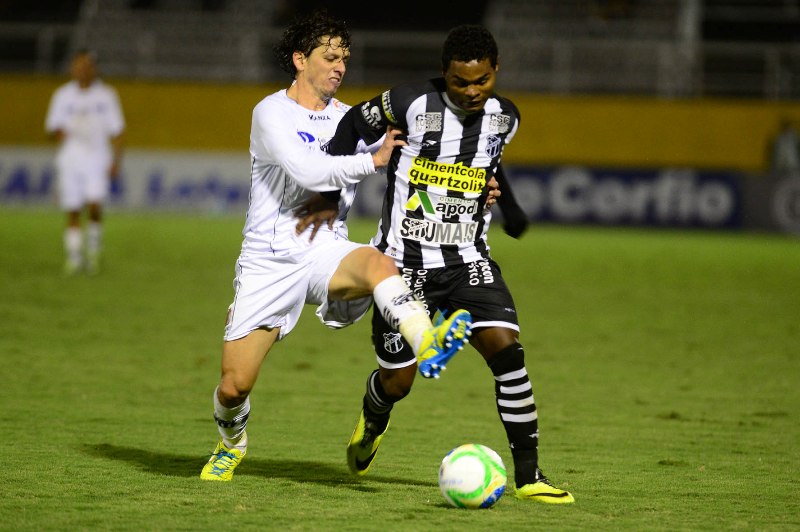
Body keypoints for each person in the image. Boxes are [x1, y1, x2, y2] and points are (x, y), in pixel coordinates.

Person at [199, 10, 473, 482]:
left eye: (344, 57)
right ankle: (232, 442)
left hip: (325, 249)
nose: (340, 66)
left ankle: (425, 339)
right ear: (299, 59)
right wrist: (372, 161)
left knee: (379, 263)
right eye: (330, 57)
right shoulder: (270, 112)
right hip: (269, 260)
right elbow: (305, 170)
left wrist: (477, 188)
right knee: (233, 386)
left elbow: (421, 163)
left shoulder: (352, 119)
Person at [326, 24, 574, 504]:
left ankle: (529, 477)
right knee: (399, 381)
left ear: (495, 71)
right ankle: (374, 416)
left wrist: (511, 209)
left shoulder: (507, 117)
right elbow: (354, 123)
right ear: (445, 74)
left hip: (468, 260)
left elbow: (489, 159)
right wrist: (327, 192)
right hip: (400, 264)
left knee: (508, 353)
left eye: (481, 81)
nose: (472, 91)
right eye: (460, 82)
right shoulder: (410, 103)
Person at [45, 49, 125, 276]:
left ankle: (94, 251)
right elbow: (52, 129)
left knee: (94, 205)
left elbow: (118, 131)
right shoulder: (62, 95)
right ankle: (74, 257)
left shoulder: (106, 95)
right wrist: (66, 133)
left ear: (93, 68)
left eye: (85, 65)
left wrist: (116, 161)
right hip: (70, 159)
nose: (81, 69)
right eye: (77, 65)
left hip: (97, 158)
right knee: (72, 208)